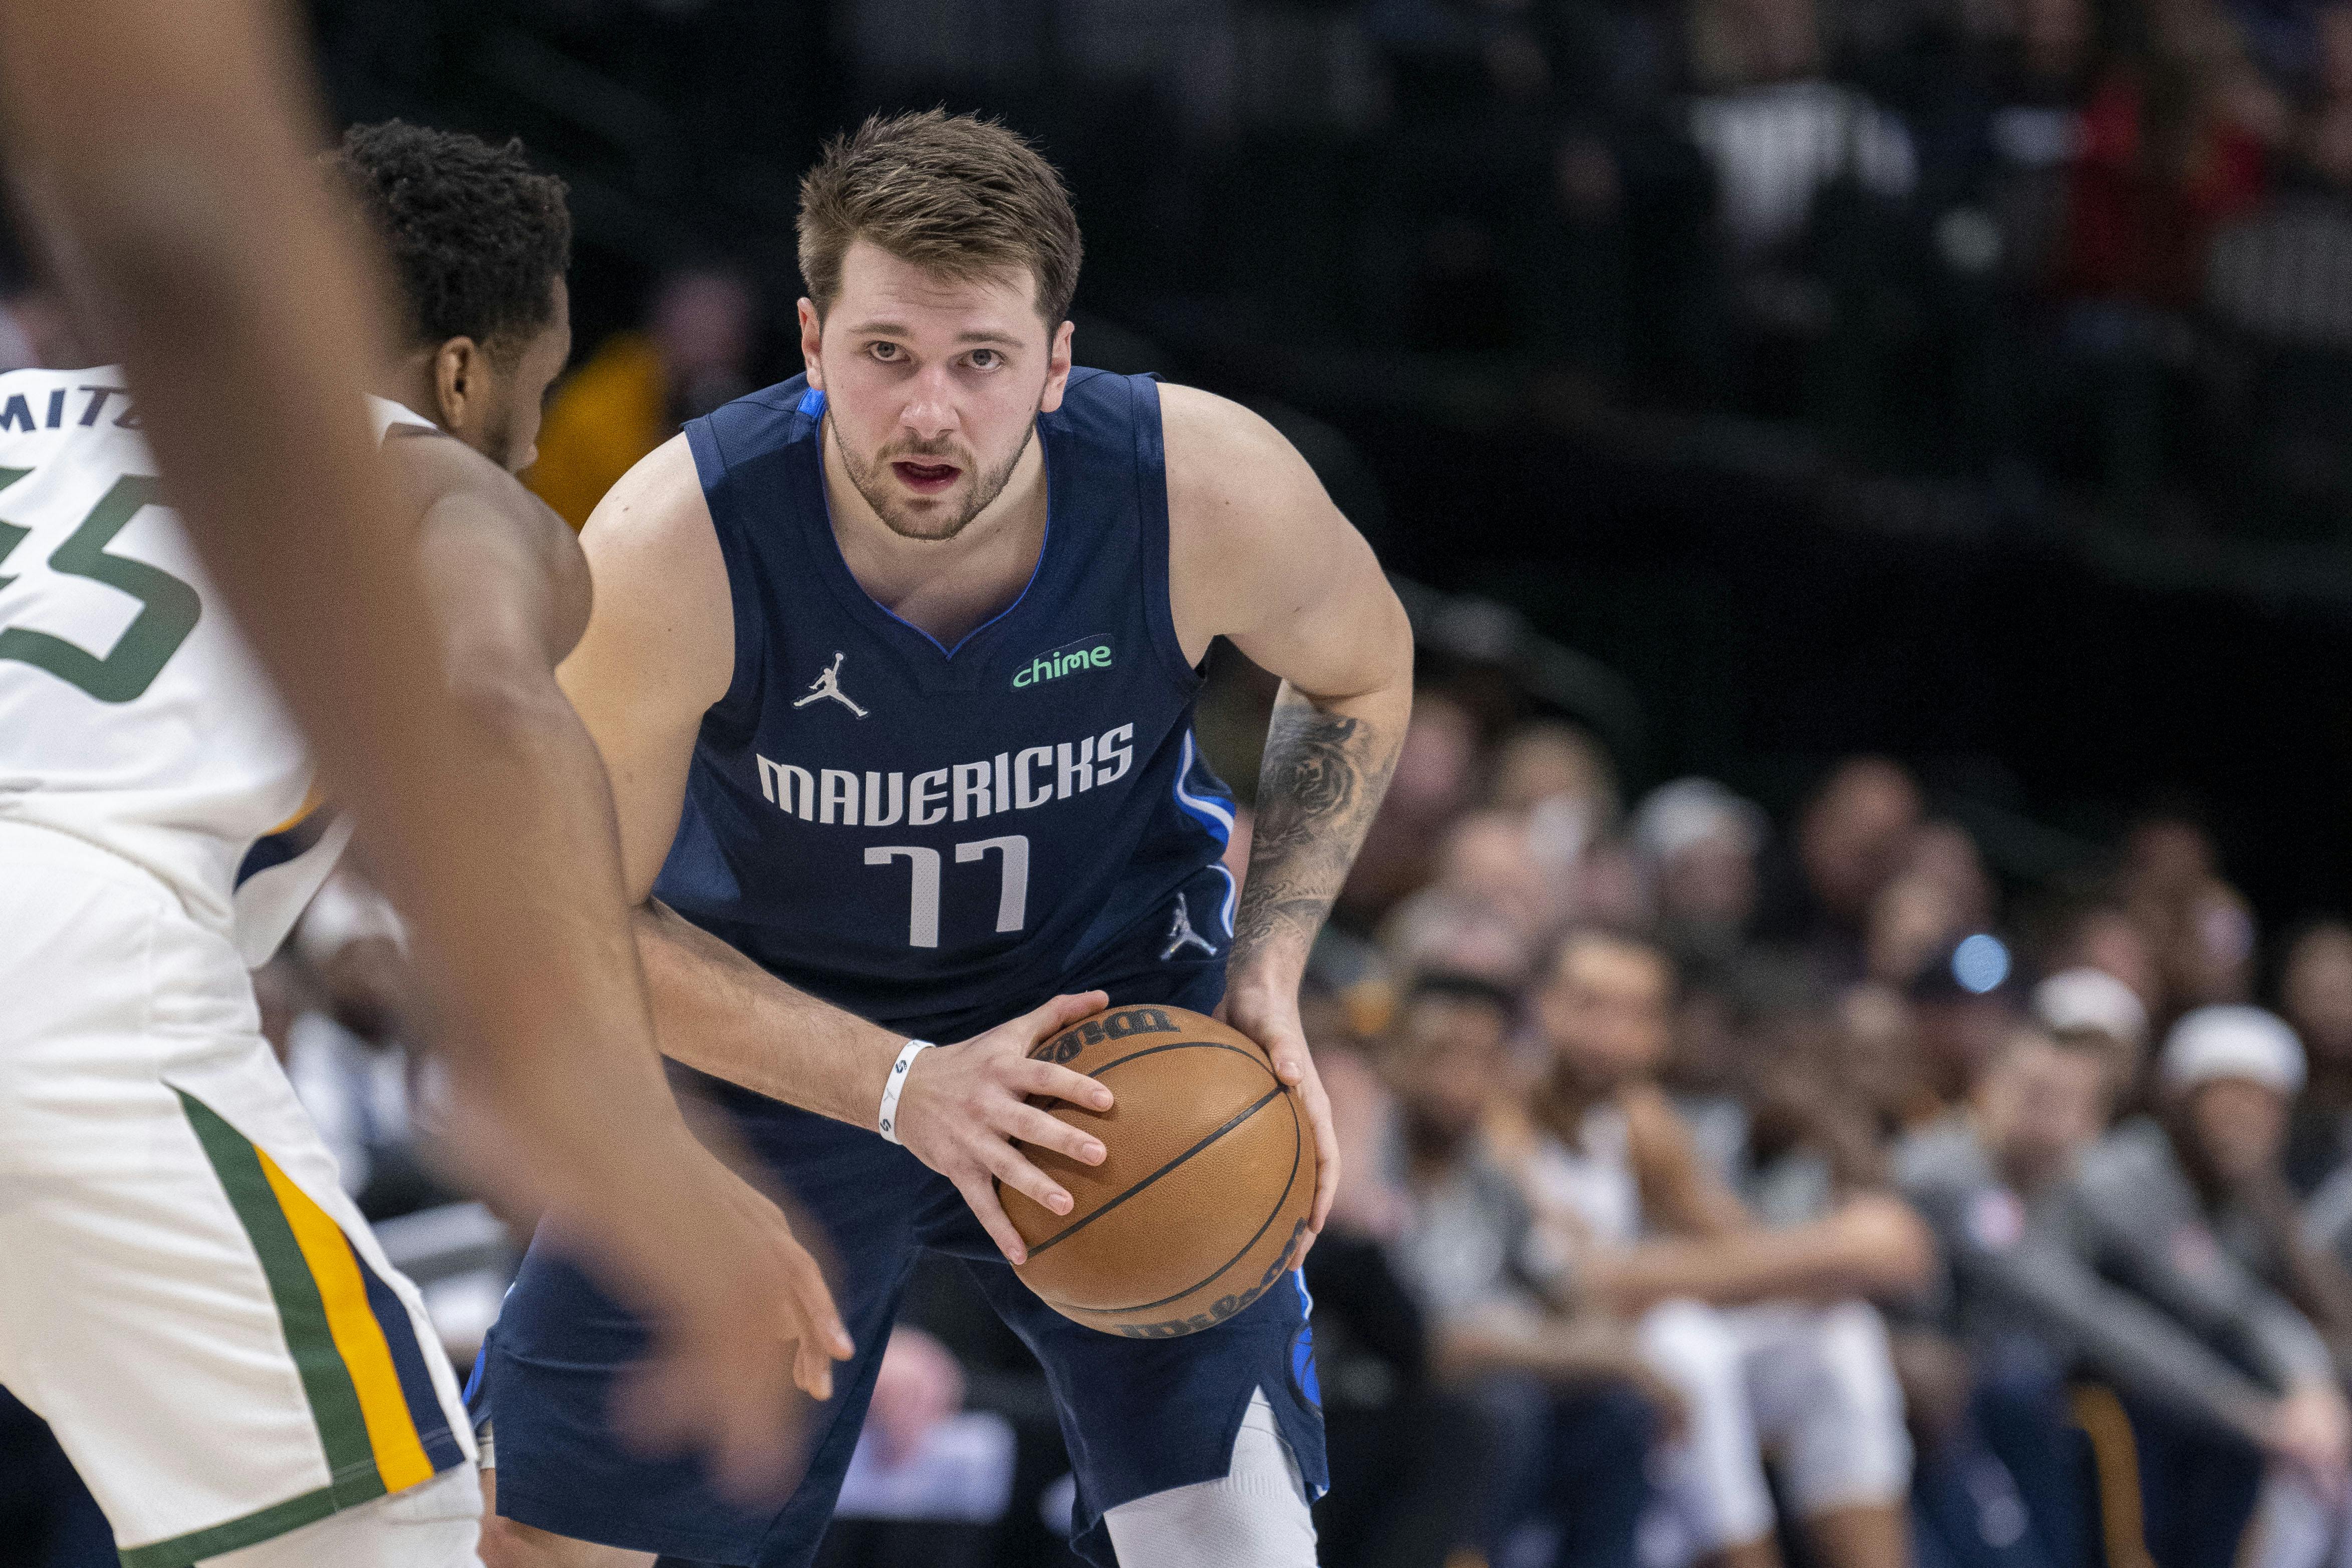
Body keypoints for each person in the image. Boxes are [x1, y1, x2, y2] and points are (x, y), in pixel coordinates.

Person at [475, 109, 1415, 1568]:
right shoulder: (675, 542)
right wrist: (899, 1080)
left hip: (1107, 1024)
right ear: (808, 341)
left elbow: (1358, 664)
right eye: (885, 355)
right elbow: (570, 923)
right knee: (554, 1543)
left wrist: (1269, 961)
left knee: (1234, 1542)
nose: (929, 411)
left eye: (979, 358)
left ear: (1053, 359)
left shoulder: (1200, 487)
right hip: (771, 1039)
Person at [0, 0, 848, 1532]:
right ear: (463, 375)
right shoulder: (436, 478)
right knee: (389, 1521)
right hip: (64, 958)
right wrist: (601, 1086)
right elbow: (484, 695)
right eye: (536, 407)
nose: (530, 452)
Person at [1509, 929, 1930, 1568]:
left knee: (1839, 1337)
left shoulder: (1635, 1116)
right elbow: (1582, 1283)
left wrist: (1817, 1254)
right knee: (1687, 1344)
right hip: (1530, 1346)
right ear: (1539, 1006)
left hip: (1620, 1345)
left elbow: (1742, 1245)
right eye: (1589, 1004)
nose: (1610, 1033)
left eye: (1636, 1013)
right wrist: (1834, 1246)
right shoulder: (1500, 1108)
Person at [1896, 1027, 2348, 1568]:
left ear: (2093, 1118)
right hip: (1946, 1409)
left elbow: (2224, 1295)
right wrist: (2253, 1417)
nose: (2041, 1113)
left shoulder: (2092, 1184)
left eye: (2064, 1099)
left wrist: (2309, 1384)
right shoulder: (1942, 1172)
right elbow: (2089, 1316)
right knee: (2027, 1388)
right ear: (1983, 1086)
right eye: (2028, 1089)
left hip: (2042, 1403)